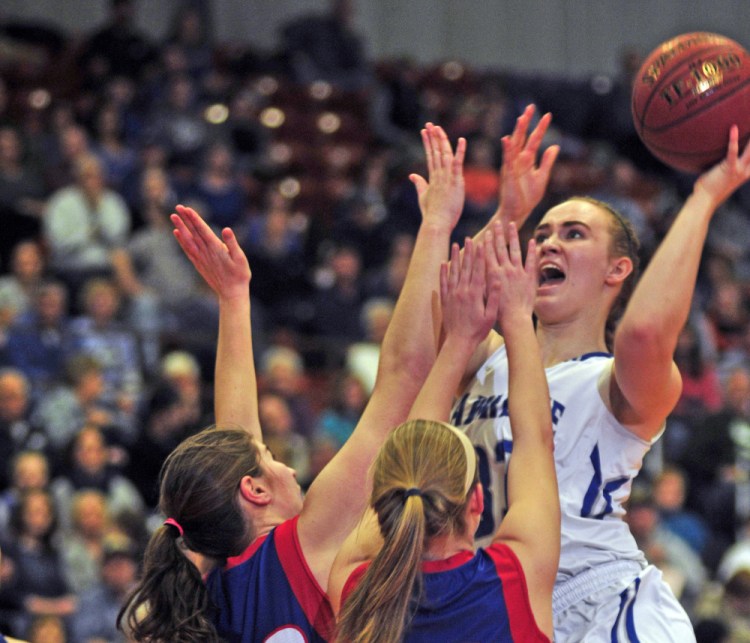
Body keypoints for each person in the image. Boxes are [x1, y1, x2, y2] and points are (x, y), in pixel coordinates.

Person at [118, 122, 467, 641]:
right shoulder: (301, 545)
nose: (286, 465)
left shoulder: (204, 598)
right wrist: (436, 226)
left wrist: (235, 300)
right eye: (270, 461)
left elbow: (236, 434)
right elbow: (402, 377)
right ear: (254, 490)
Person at [450, 103, 750, 641]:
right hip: (496, 604)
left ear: (618, 270)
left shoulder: (612, 381)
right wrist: (508, 215)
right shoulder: (484, 355)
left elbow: (642, 333)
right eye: (542, 233)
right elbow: (434, 321)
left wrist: (704, 197)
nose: (549, 242)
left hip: (598, 602)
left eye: (574, 234)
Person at [331, 222, 559, 642]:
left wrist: (456, 343)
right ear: (478, 500)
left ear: (385, 498)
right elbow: (535, 439)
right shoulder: (516, 578)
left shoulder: (354, 586)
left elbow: (533, 442)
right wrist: (518, 319)